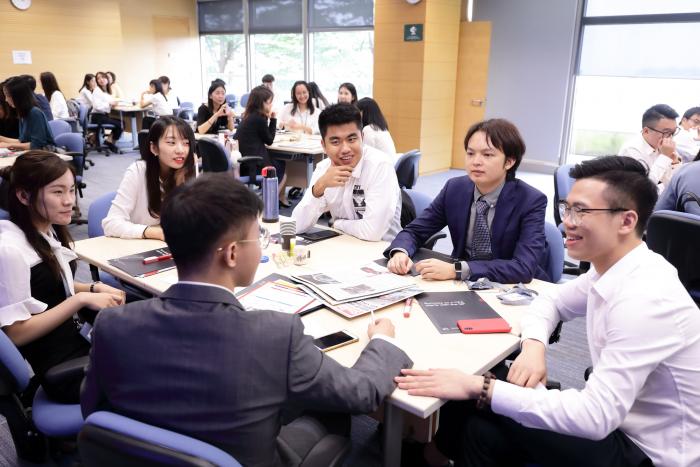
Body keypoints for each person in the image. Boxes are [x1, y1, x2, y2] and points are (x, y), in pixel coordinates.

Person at [81, 172, 412, 467]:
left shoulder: (114, 325)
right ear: (232, 253)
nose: (261, 245)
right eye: (258, 237)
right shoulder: (275, 336)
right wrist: (382, 339)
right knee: (330, 410)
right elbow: (362, 393)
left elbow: (92, 409)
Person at [397, 156, 700, 467]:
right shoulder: (613, 269)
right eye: (567, 208)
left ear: (626, 221)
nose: (567, 221)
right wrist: (533, 347)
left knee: (476, 389)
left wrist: (481, 387)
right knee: (479, 431)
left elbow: (595, 418)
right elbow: (550, 301)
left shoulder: (644, 300)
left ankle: (423, 452)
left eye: (581, 211)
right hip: (620, 420)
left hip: (647, 452)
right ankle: (430, 451)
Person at [0, 152, 124, 403]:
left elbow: (45, 287)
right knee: (158, 367)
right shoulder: (10, 250)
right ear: (24, 196)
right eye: (58, 192)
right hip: (64, 370)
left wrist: (91, 287)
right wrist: (78, 301)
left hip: (78, 340)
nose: (70, 201)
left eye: (71, 190)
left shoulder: (44, 230)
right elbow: (16, 333)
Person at [386, 119, 547, 283]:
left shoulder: (531, 201)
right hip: (463, 285)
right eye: (470, 153)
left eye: (487, 155)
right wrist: (400, 252)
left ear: (509, 161)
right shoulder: (455, 189)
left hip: (511, 288)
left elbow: (523, 267)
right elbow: (415, 231)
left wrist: (457, 270)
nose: (476, 161)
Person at [291, 103, 402, 242]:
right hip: (342, 247)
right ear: (323, 146)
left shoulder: (379, 166)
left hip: (382, 253)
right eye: (335, 142)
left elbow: (372, 233)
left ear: (362, 137)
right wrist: (319, 187)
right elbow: (295, 226)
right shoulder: (323, 169)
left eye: (351, 139)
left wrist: (338, 224)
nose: (345, 149)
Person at [103, 116, 196, 240]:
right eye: (171, 143)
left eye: (186, 143)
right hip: (136, 248)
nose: (181, 150)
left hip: (171, 248)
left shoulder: (187, 173)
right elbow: (111, 224)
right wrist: (154, 233)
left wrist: (182, 190)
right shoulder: (138, 171)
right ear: (154, 148)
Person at [233, 85, 289, 206]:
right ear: (260, 103)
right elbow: (269, 140)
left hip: (243, 163)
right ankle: (267, 203)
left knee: (278, 162)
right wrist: (273, 119)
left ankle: (272, 199)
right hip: (254, 164)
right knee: (282, 168)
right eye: (269, 103)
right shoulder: (259, 118)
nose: (270, 106)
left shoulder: (248, 116)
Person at [618, 104, 681, 193]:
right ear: (646, 131)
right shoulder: (631, 150)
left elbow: (675, 185)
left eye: (673, 133)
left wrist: (675, 163)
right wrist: (665, 157)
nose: (670, 138)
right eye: (666, 132)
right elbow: (643, 188)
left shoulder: (663, 145)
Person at [0, 77, 56, 151]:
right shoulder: (22, 114)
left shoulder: (34, 113)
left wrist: (9, 145)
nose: (6, 100)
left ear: (17, 96)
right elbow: (22, 141)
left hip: (45, 155)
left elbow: (37, 145)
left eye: (8, 96)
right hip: (33, 154)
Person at [91, 71, 123, 152]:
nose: (101, 80)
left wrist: (113, 103)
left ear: (107, 79)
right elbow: (97, 106)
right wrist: (109, 104)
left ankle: (109, 141)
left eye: (103, 77)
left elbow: (110, 100)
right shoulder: (97, 90)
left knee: (121, 123)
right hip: (97, 116)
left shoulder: (106, 91)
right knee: (120, 124)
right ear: (97, 81)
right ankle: (110, 142)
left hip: (103, 115)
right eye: (98, 78)